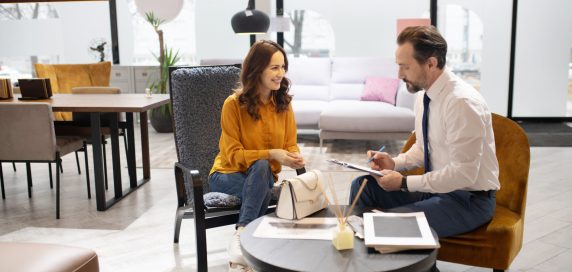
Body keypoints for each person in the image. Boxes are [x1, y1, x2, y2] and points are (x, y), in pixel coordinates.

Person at [349, 25, 500, 239]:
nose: (399, 74)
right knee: (363, 186)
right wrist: (394, 163)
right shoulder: (423, 96)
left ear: (431, 63)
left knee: (388, 225)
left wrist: (403, 182)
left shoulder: (462, 103)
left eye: (405, 67)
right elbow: (423, 149)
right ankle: (366, 254)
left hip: (468, 200)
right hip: (436, 190)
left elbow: (464, 174)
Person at [208, 40, 305, 271]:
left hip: (263, 177)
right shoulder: (232, 105)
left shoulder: (284, 104)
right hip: (226, 175)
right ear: (256, 69)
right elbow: (232, 156)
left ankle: (242, 248)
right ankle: (244, 238)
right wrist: (272, 154)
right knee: (262, 168)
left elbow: (291, 144)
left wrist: (295, 157)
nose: (280, 73)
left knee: (262, 173)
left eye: (283, 67)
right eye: (274, 67)